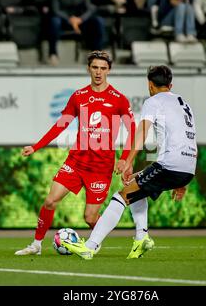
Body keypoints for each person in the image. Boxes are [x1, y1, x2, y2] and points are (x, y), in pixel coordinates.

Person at [60, 65, 197, 260]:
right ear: (170, 85)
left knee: (122, 195)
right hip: (188, 166)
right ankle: (141, 238)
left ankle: (90, 246)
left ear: (150, 85)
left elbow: (142, 132)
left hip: (170, 164)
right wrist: (184, 181)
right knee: (135, 186)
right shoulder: (185, 105)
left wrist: (127, 160)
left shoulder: (154, 100)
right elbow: (191, 138)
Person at [15, 50, 136, 256]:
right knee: (50, 200)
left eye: (103, 68)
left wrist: (125, 159)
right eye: (95, 67)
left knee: (90, 218)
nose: (98, 72)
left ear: (109, 70)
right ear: (89, 69)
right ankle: (36, 244)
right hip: (76, 161)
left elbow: (132, 131)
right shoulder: (79, 96)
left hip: (101, 167)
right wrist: (36, 146)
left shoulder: (119, 100)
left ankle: (94, 242)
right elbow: (61, 125)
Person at [49, 0, 105, 66]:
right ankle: (53, 54)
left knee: (98, 21)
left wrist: (80, 19)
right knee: (54, 21)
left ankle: (97, 55)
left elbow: (89, 8)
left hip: (80, 21)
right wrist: (70, 19)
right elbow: (55, 9)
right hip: (64, 21)